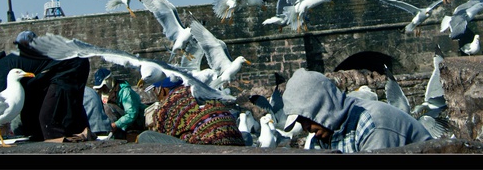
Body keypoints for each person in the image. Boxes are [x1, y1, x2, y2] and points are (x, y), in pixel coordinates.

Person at [0, 30, 91, 141]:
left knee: (49, 120)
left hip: (69, 64)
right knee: (44, 120)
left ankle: (69, 145)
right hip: (58, 66)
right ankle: (79, 135)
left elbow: (17, 108)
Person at [282, 68, 432, 152]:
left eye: (307, 118)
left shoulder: (373, 124)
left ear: (323, 106)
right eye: (301, 122)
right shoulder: (327, 133)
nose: (306, 127)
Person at [140, 78, 245, 146]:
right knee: (245, 135)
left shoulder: (168, 103)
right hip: (236, 143)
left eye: (155, 91)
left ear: (162, 90)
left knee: (145, 136)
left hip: (207, 147)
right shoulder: (202, 91)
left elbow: (161, 132)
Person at [83, 67, 113, 136]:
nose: (102, 89)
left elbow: (132, 112)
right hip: (104, 126)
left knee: (107, 107)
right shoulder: (91, 92)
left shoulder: (124, 91)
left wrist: (116, 124)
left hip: (94, 128)